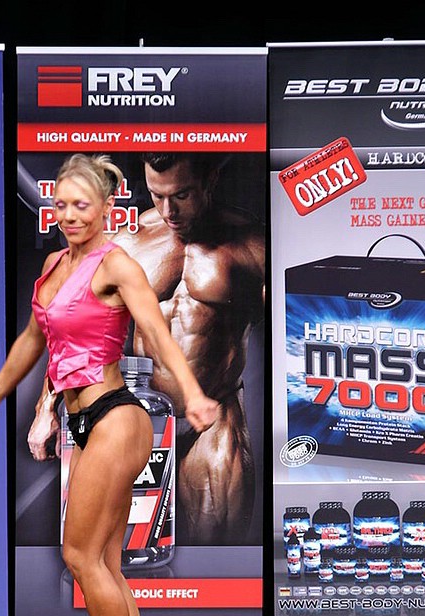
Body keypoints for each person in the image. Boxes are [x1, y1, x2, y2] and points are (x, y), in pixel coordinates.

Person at [0, 154, 218, 616]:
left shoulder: (116, 264)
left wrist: (193, 393)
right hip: (81, 420)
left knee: (78, 555)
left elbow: (156, 332)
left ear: (105, 207)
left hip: (116, 417)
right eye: (61, 205)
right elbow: (34, 341)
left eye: (82, 205)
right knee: (104, 561)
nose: (70, 215)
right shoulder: (55, 265)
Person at [28, 152, 265, 545]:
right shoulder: (128, 243)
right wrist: (45, 408)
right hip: (138, 416)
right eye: (158, 196)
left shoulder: (252, 244)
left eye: (181, 195)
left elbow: (294, 328)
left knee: (215, 552)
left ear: (210, 179)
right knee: (121, 552)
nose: (169, 210)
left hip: (212, 418)